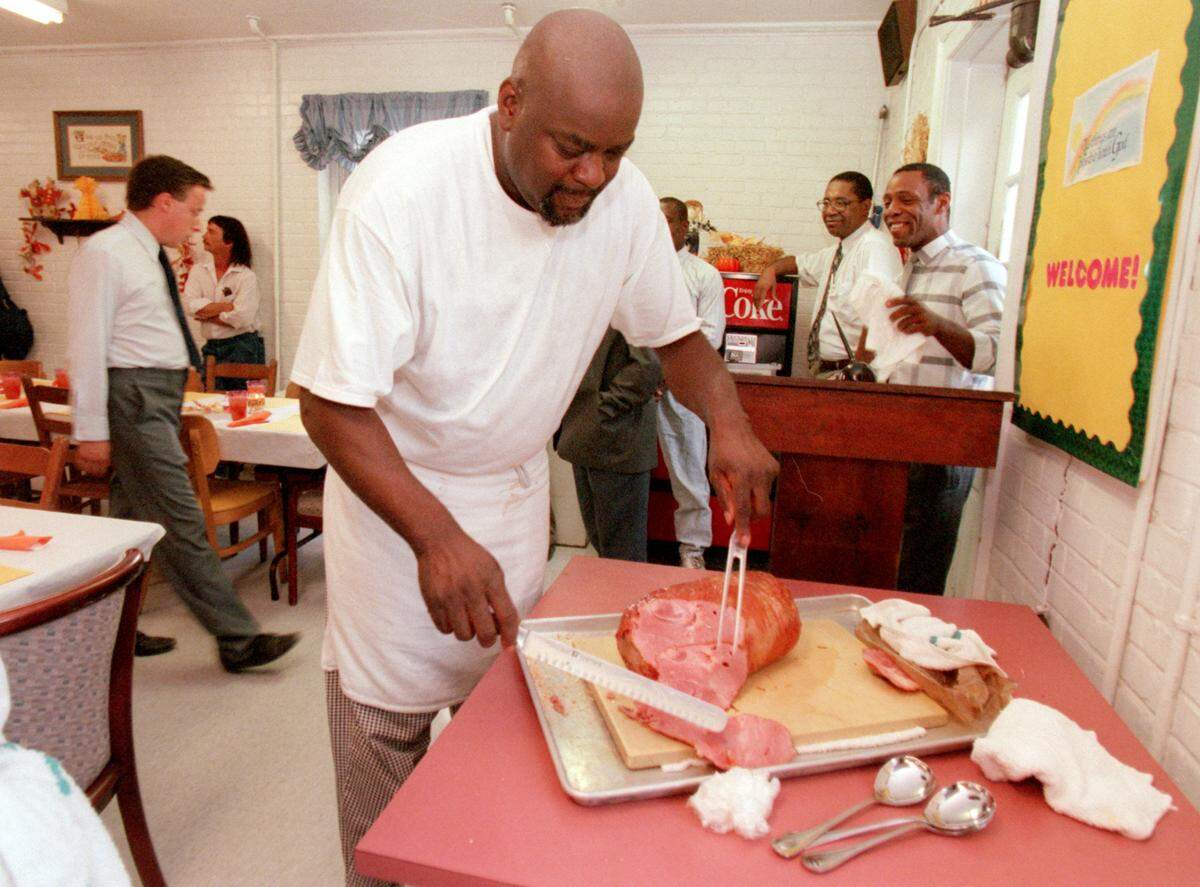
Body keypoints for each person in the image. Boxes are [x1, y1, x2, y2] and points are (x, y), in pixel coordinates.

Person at [289, 11, 777, 885]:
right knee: (384, 757)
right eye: (572, 147)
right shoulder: (400, 191)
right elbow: (330, 403)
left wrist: (731, 425)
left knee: (500, 757)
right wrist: (435, 536)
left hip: (509, 508)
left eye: (616, 152)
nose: (593, 176)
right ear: (510, 103)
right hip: (397, 508)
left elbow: (679, 339)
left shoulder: (621, 202)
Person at [67, 154, 300, 669]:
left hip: (157, 395)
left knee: (124, 525)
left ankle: (112, 632)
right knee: (181, 516)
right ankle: (237, 638)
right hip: (133, 397)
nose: (198, 223)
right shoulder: (106, 253)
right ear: (164, 202)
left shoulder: (145, 254)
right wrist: (91, 431)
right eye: (194, 210)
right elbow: (86, 344)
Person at [879, 162, 1006, 594]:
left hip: (943, 444)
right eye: (889, 201)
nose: (893, 210)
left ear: (942, 203)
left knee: (919, 576)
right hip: (897, 438)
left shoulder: (975, 266)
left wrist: (936, 324)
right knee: (892, 571)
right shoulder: (908, 270)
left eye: (907, 199)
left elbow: (995, 356)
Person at [754, 171, 902, 377]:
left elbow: (881, 314)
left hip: (853, 374)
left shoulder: (874, 247)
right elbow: (797, 263)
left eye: (841, 203)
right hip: (828, 372)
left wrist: (857, 373)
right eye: (826, 203)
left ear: (866, 206)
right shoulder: (837, 252)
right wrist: (770, 270)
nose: (830, 211)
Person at [657, 196, 725, 569]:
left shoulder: (703, 274)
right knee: (629, 468)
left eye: (665, 221)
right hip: (639, 385)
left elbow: (710, 335)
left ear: (684, 228)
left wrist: (666, 369)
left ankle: (693, 548)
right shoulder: (637, 269)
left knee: (688, 468)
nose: (656, 228)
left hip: (683, 387)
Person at [555, 327, 662, 562]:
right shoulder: (585, 297)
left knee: (623, 557)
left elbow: (649, 366)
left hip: (616, 442)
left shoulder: (626, 294)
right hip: (584, 436)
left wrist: (603, 409)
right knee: (603, 546)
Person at [182, 214, 265, 390]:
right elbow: (189, 306)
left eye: (211, 232)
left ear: (228, 242)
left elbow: (242, 318)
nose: (204, 236)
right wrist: (225, 307)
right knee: (211, 403)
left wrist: (206, 314)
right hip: (211, 348)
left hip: (243, 348)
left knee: (243, 404)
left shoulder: (245, 276)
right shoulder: (199, 270)